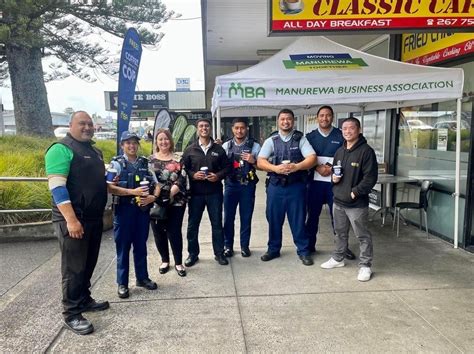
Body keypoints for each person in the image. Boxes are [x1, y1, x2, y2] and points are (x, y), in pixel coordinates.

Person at [45, 111, 109, 335]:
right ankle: (71, 313)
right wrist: (71, 220)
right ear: (70, 125)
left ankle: (84, 299)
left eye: (90, 124)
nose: (87, 127)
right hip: (72, 219)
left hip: (93, 218)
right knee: (74, 267)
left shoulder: (95, 150)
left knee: (89, 262)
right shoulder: (60, 149)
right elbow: (57, 187)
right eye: (82, 123)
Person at [320, 117, 378, 282]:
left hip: (356, 204)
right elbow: (335, 172)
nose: (347, 132)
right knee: (340, 233)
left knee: (362, 235)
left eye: (351, 128)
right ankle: (338, 259)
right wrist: (334, 179)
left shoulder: (366, 151)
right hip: (338, 201)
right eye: (344, 129)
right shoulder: (340, 151)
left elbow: (370, 178)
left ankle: (365, 266)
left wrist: (355, 192)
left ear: (358, 130)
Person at [257, 108, 317, 266]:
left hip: (296, 186)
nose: (286, 122)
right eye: (282, 119)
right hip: (276, 186)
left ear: (293, 121)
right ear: (278, 121)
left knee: (298, 219)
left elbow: (312, 159)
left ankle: (303, 251)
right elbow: (260, 161)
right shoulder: (272, 140)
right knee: (274, 219)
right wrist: (275, 168)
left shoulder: (300, 139)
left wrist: (297, 167)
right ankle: (273, 249)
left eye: (289, 119)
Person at [107, 131, 158, 299]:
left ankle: (142, 278)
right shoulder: (116, 164)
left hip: (141, 211)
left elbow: (156, 184)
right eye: (128, 143)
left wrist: (152, 197)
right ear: (122, 145)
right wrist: (131, 191)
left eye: (134, 142)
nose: (132, 146)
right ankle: (122, 283)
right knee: (123, 247)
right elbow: (109, 187)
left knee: (141, 246)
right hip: (123, 211)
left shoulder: (145, 163)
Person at [305, 105, 356, 259]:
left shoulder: (340, 136)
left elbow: (348, 156)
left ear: (332, 117)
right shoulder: (310, 137)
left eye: (328, 115)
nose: (324, 118)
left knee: (338, 218)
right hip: (314, 183)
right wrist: (317, 167)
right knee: (312, 216)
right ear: (317, 117)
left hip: (336, 184)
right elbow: (303, 157)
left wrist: (331, 168)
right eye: (322, 115)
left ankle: (343, 248)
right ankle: (309, 245)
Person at [182, 117, 232, 267]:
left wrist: (218, 176)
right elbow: (184, 169)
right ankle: (193, 254)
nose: (204, 128)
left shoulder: (219, 149)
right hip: (196, 194)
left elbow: (228, 168)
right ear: (198, 129)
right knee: (193, 225)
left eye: (207, 126)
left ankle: (219, 253)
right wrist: (193, 175)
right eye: (201, 126)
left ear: (210, 129)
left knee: (216, 224)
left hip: (214, 192)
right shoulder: (190, 150)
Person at [149, 129, 188, 277]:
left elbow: (182, 178)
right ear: (156, 142)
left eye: (166, 139)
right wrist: (158, 197)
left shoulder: (178, 159)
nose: (163, 142)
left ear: (170, 141)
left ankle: (178, 262)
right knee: (158, 232)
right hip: (156, 202)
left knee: (174, 231)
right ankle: (164, 260)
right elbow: (148, 180)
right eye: (160, 139)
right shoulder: (150, 160)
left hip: (175, 201)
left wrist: (169, 194)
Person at [222, 117, 261, 258]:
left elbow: (262, 166)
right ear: (232, 129)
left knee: (246, 217)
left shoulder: (255, 146)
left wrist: (253, 160)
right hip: (231, 185)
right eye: (236, 128)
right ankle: (228, 246)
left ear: (247, 129)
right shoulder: (226, 146)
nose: (239, 130)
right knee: (228, 218)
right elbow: (220, 165)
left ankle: (245, 246)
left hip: (247, 185)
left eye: (242, 128)